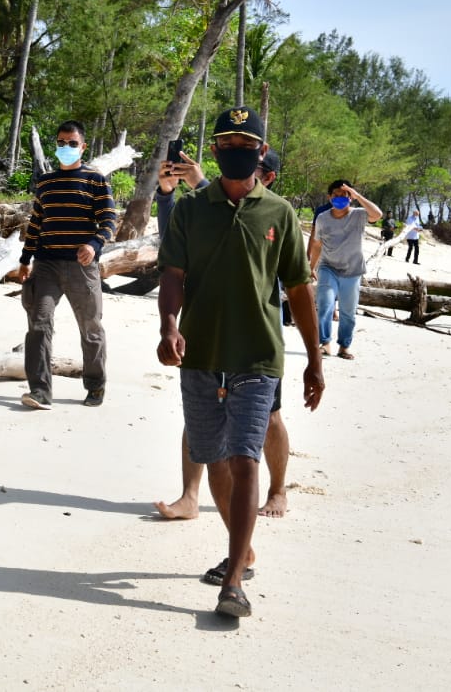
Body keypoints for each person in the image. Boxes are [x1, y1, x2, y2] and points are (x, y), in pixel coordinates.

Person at [156, 106, 325, 619]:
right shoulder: (189, 209)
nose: (236, 149)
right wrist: (169, 324)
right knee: (214, 460)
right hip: (201, 353)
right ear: (214, 150)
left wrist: (314, 361)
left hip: (258, 354)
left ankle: (233, 580)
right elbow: (173, 274)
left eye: (245, 142)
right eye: (227, 141)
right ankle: (242, 547)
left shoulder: (279, 213)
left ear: (260, 151)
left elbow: (298, 289)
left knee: (245, 456)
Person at [154, 148, 297, 521]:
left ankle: (278, 489)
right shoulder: (197, 204)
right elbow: (176, 242)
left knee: (270, 417)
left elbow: (237, 224)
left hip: (255, 337)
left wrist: (198, 180)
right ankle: (190, 494)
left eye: (257, 167)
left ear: (267, 176)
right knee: (201, 419)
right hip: (206, 332)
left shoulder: (274, 212)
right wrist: (168, 192)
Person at [17, 120, 116, 409]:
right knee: (38, 324)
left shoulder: (95, 180)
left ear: (83, 147)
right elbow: (36, 223)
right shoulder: (46, 183)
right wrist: (25, 260)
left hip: (80, 267)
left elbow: (109, 219)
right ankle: (40, 391)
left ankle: (96, 385)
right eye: (61, 142)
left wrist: (94, 244)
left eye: (73, 143)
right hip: (45, 265)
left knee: (90, 327)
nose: (66, 147)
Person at [308, 179, 383, 360]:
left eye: (345, 195)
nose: (340, 198)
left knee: (348, 311)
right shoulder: (323, 218)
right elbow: (317, 244)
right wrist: (311, 266)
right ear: (329, 197)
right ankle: (324, 343)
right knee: (325, 304)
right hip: (328, 267)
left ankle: (344, 346)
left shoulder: (359, 215)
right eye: (336, 195)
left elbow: (377, 214)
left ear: (351, 198)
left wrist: (357, 195)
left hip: (353, 270)